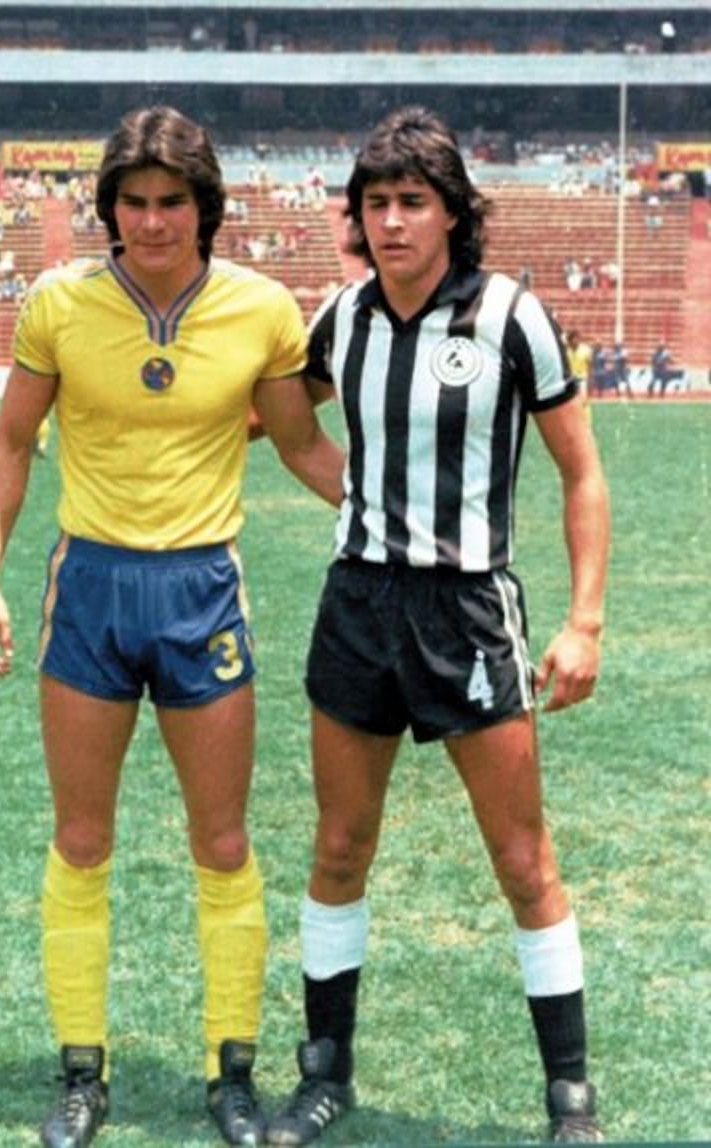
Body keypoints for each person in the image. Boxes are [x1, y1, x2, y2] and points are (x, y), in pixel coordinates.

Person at [0, 105, 344, 1148]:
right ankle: (82, 1070)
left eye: (171, 200)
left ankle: (231, 1069)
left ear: (204, 206)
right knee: (82, 838)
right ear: (110, 208)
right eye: (132, 201)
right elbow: (8, 441)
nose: (151, 220)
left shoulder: (262, 309)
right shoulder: (59, 303)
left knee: (220, 841)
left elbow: (302, 444)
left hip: (199, 595)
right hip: (87, 590)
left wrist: (398, 519)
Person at [268, 106, 610, 1146]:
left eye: (412, 202)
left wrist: (582, 619)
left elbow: (580, 470)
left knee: (519, 855)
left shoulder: (510, 316)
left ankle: (568, 1094)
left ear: (455, 215)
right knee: (338, 845)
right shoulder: (341, 318)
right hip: (359, 605)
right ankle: (324, 1072)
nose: (392, 222)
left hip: (465, 611)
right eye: (374, 203)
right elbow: (286, 422)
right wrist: (360, 495)